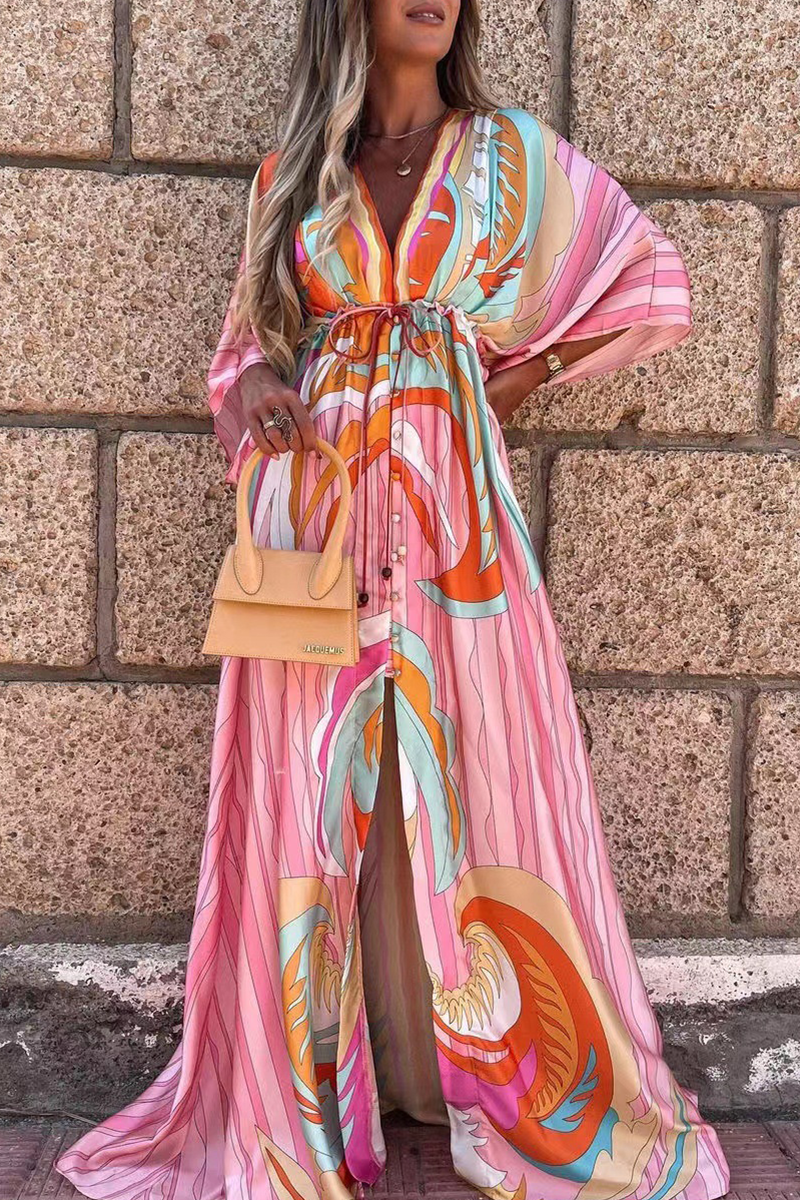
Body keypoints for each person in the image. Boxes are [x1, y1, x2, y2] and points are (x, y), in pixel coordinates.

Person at [56, 2, 732, 1199]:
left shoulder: (510, 153)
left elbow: (653, 284)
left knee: (484, 776)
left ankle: (512, 1085)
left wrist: (520, 374)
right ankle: (311, 1093)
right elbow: (238, 352)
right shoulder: (294, 170)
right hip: (312, 521)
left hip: (455, 536)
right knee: (308, 798)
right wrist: (263, 387)